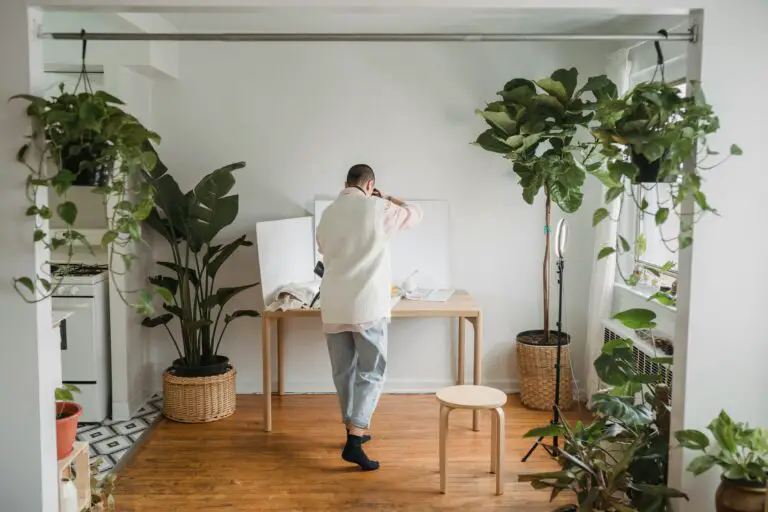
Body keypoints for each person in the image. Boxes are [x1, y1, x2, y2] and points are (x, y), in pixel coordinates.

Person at [316, 164, 423, 471]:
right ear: (370, 184)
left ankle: (352, 431)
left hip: (334, 305)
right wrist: (387, 196)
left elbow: (323, 249)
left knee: (343, 372)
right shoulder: (380, 209)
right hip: (367, 306)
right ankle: (354, 439)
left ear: (345, 183)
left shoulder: (328, 213)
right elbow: (416, 213)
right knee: (372, 371)